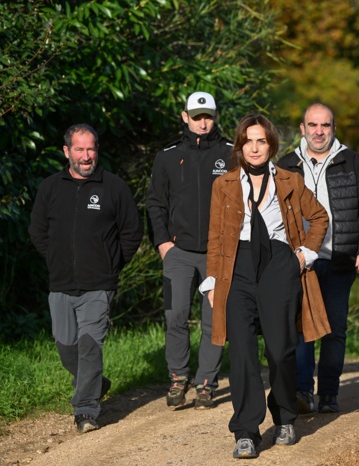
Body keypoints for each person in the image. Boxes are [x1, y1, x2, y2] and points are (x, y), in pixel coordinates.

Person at [201, 114, 330, 459]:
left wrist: (304, 255)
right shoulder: (224, 185)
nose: (255, 148)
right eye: (248, 141)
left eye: (261, 141)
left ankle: (286, 415)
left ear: (271, 145)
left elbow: (319, 217)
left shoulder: (290, 180)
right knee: (242, 351)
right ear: (240, 146)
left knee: (280, 350)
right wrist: (212, 283)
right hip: (236, 270)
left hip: (278, 265)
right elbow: (215, 237)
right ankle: (245, 431)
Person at [29, 124, 142, 433]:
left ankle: (86, 411)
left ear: (97, 150)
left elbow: (132, 232)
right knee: (66, 347)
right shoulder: (50, 187)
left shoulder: (114, 187)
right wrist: (55, 260)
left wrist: (112, 264)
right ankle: (96, 383)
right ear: (67, 151)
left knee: (90, 345)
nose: (86, 155)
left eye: (90, 149)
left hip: (99, 285)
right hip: (61, 283)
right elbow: (37, 231)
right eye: (79, 149)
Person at [277, 102, 359, 414]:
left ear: (333, 128)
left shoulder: (352, 162)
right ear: (302, 129)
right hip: (299, 262)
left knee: (335, 330)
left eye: (325, 126)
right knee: (302, 329)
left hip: (340, 259)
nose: (319, 132)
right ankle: (303, 391)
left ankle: (329, 395)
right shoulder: (286, 164)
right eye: (313, 125)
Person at [146, 91, 233, 409]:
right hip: (178, 253)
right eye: (196, 117)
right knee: (175, 314)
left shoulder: (230, 154)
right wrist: (163, 244)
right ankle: (178, 377)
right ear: (185, 117)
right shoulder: (167, 156)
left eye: (208, 116)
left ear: (215, 116)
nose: (203, 122)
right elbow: (155, 202)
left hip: (217, 253)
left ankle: (206, 382)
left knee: (214, 319)